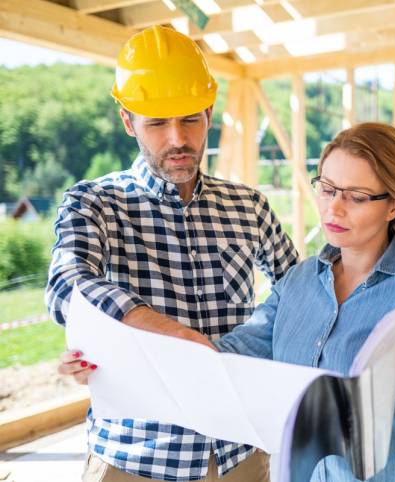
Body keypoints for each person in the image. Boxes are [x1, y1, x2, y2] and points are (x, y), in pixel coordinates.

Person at [146, 122, 395, 481]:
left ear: (394, 204)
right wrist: (116, 359)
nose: (334, 209)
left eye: (356, 196)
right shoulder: (298, 282)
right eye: (328, 189)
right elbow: (230, 353)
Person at [49, 25, 298, 482]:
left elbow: (301, 294)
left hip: (238, 452)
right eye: (157, 123)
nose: (177, 139)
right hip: (135, 456)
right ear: (128, 121)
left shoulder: (249, 206)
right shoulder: (94, 203)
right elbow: (68, 284)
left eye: (189, 119)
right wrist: (154, 330)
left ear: (209, 111)